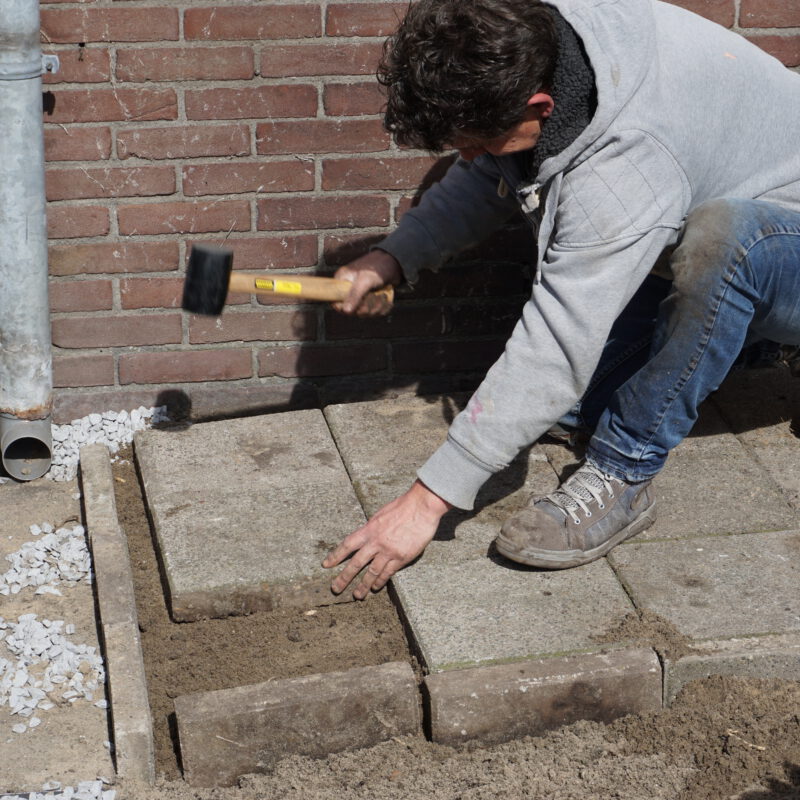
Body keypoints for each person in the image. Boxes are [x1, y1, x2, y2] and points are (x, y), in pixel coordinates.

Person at [322, 0, 800, 599]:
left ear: (539, 109)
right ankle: (745, 345)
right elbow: (488, 172)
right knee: (570, 409)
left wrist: (426, 502)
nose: (466, 156)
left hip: (785, 244)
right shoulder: (539, 39)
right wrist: (393, 256)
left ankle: (626, 471)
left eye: (476, 142)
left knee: (725, 241)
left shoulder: (629, 165)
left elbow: (556, 341)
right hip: (732, 208)